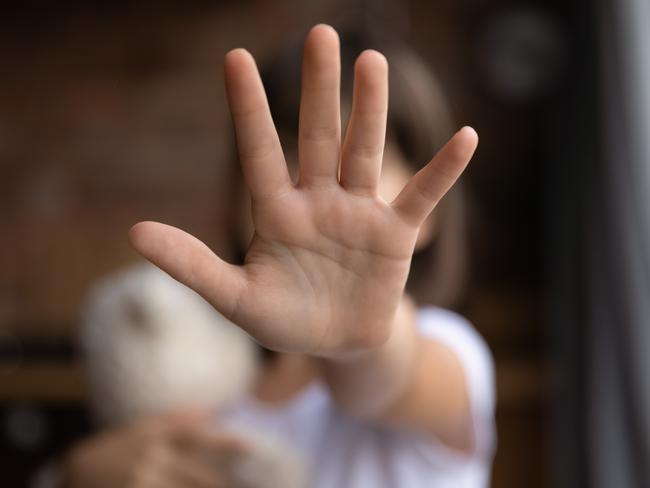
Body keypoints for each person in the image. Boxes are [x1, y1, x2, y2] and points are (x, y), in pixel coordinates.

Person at [59, 24, 495, 488]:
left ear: (430, 215)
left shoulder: (450, 351)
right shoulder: (204, 372)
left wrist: (357, 341)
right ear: (232, 190)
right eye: (284, 153)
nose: (310, 189)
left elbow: (389, 381)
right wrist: (76, 476)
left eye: (352, 165)